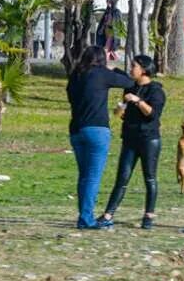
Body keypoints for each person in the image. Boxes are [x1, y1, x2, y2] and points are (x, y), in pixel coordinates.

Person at [64, 46, 136, 230]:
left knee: (84, 176)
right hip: (97, 129)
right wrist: (114, 69)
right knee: (93, 177)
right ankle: (86, 218)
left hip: (76, 130)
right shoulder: (102, 74)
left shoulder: (75, 76)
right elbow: (128, 82)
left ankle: (84, 215)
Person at [99, 54, 167, 230]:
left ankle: (148, 216)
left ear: (143, 70)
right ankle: (108, 214)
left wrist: (138, 101)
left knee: (149, 178)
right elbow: (121, 113)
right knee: (122, 177)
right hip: (130, 138)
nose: (131, 69)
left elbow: (152, 114)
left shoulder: (156, 91)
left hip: (149, 140)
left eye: (134, 66)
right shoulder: (130, 88)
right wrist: (119, 109)